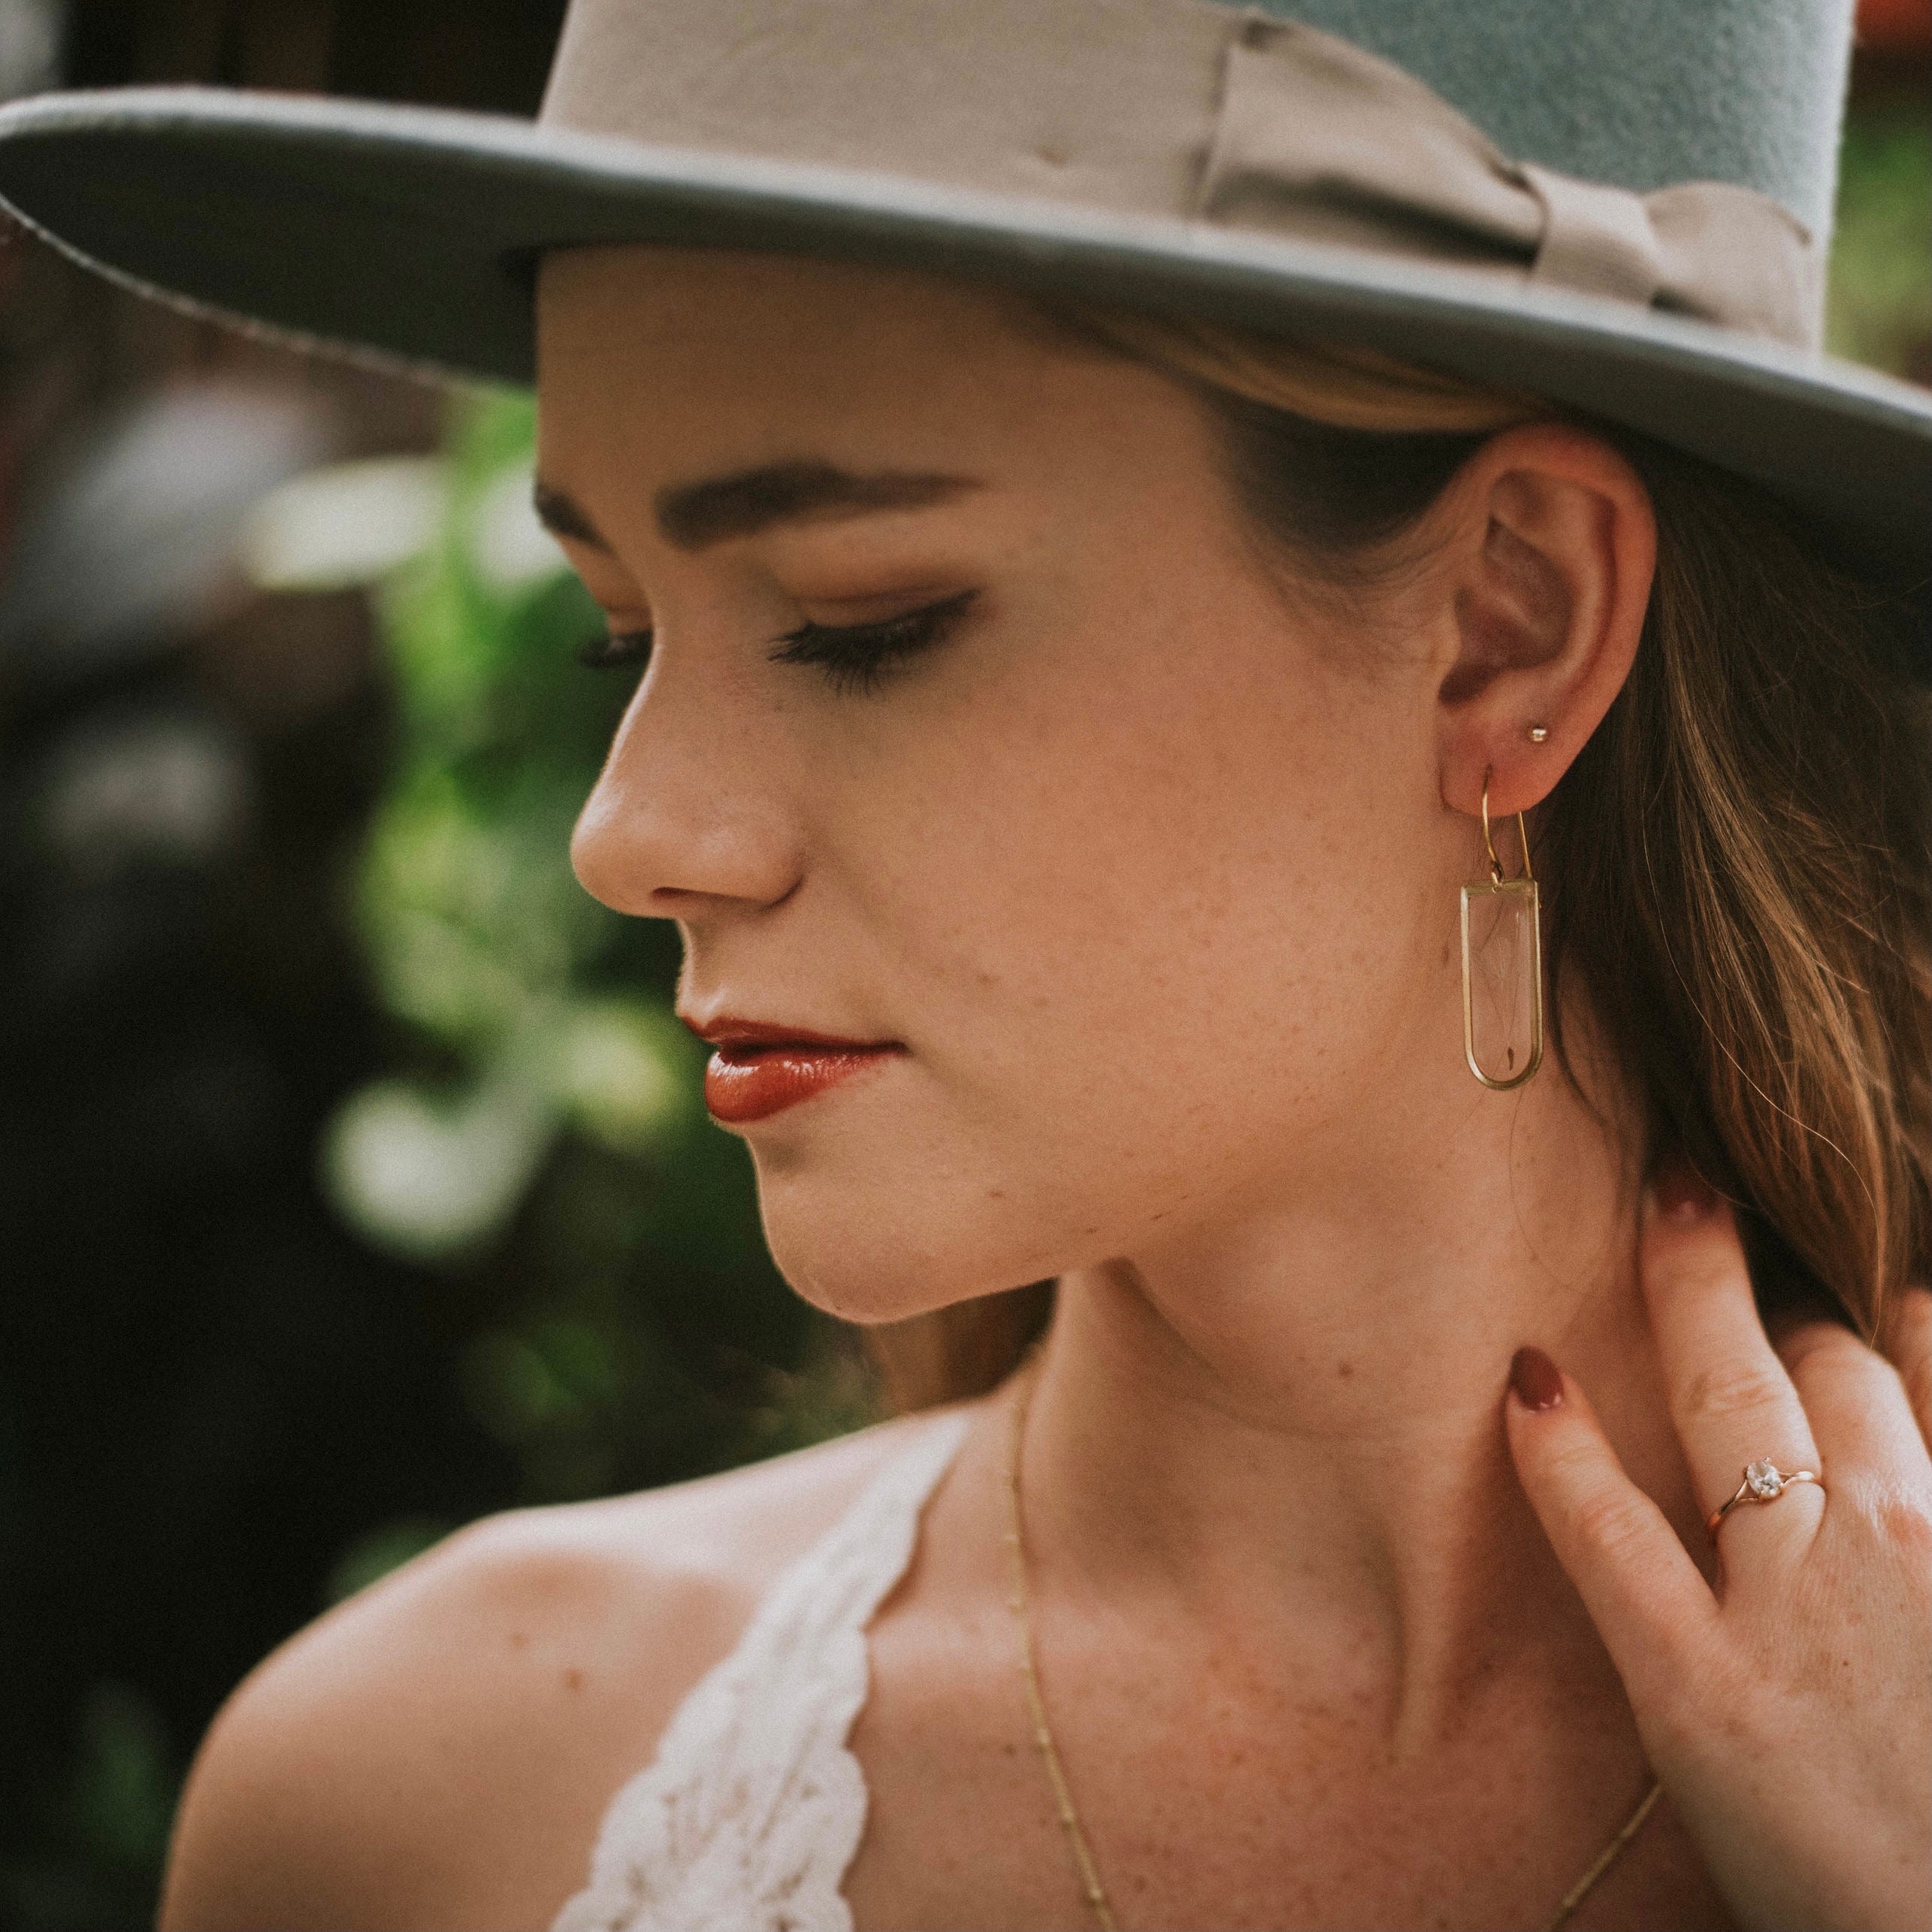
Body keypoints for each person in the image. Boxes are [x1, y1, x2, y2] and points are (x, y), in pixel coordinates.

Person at [1, 3, 1926, 1927]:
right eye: (618, 632)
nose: (630, 832)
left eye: (863, 621)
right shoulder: (423, 1813)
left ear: (1507, 621)